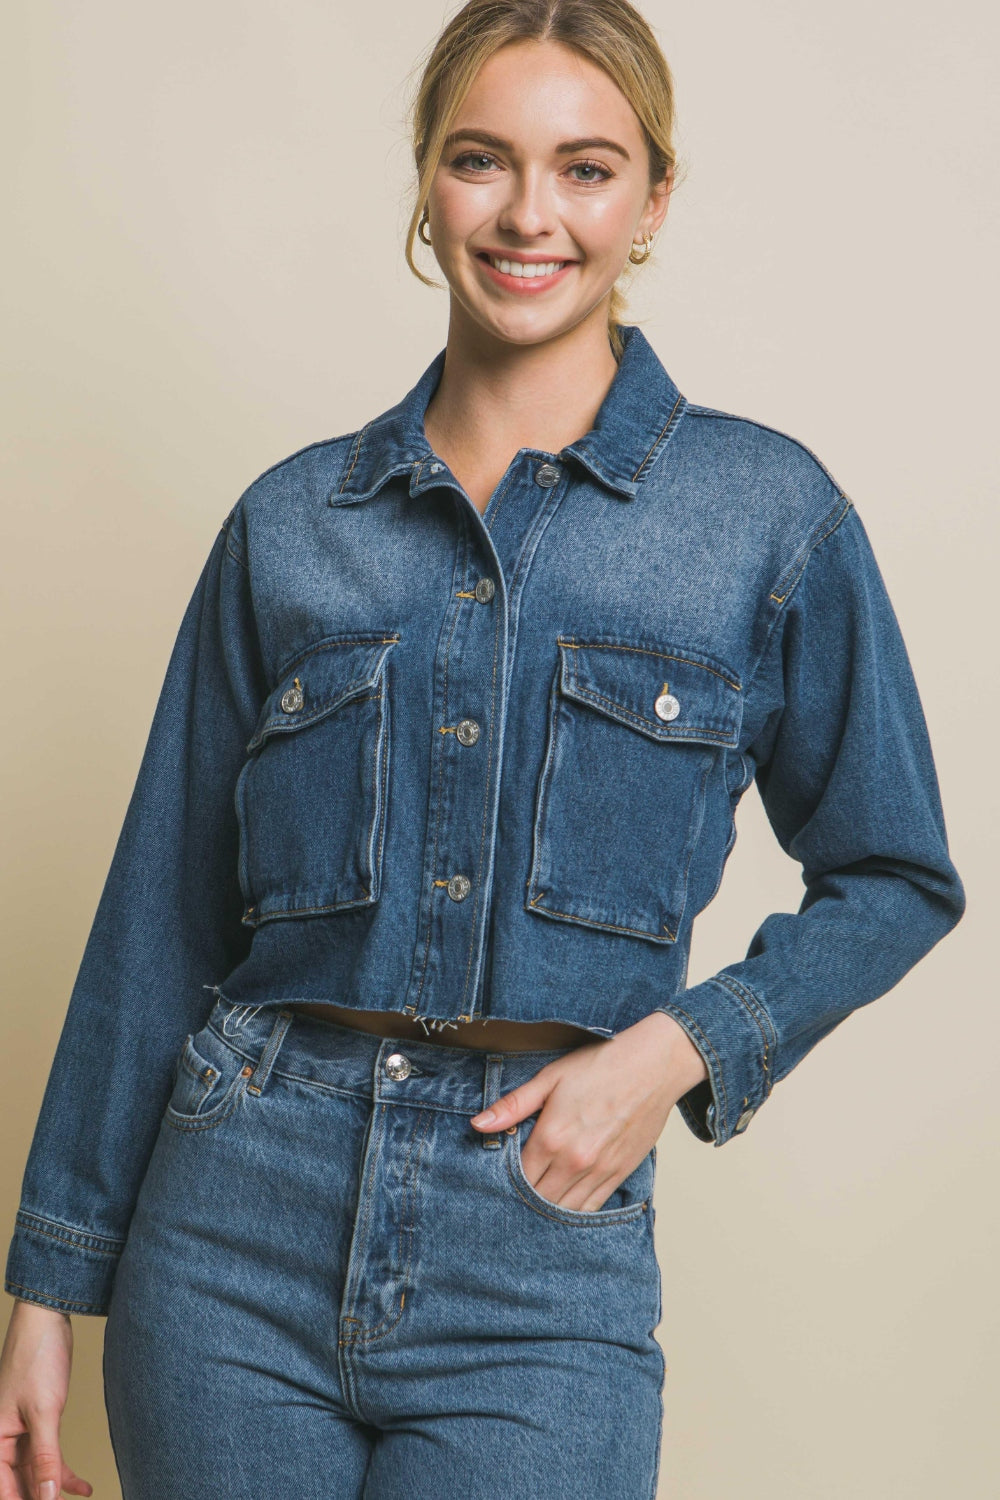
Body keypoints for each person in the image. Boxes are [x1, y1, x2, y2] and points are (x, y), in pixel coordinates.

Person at [0, 2, 966, 1497]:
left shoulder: (765, 520)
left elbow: (896, 873)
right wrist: (50, 1286)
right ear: (425, 184)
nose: (528, 214)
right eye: (480, 161)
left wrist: (678, 1052)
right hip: (229, 1239)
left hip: (540, 1264)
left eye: (586, 168)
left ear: (652, 201)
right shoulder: (290, 525)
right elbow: (161, 914)